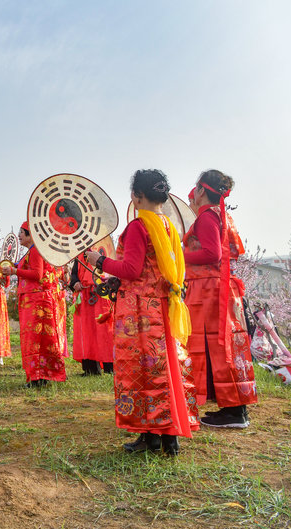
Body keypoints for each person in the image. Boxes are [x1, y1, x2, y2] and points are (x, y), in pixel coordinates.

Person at [85, 169, 198, 456]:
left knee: (141, 373)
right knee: (164, 371)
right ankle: (166, 437)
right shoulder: (169, 225)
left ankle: (150, 435)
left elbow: (133, 270)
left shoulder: (138, 227)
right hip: (162, 307)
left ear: (137, 196)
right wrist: (116, 277)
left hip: (139, 313)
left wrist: (102, 262)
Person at [184, 169, 257, 428]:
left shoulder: (206, 217)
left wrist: (178, 257)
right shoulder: (221, 216)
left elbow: (212, 254)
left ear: (202, 190)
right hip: (221, 289)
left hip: (210, 291)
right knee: (225, 347)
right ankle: (234, 408)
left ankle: (235, 412)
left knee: (218, 348)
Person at [1, 222, 66, 387]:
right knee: (36, 339)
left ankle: (38, 377)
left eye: (21, 233)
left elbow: (37, 274)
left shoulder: (36, 250)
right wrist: (14, 267)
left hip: (36, 301)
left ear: (30, 234)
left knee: (36, 339)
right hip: (31, 300)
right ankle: (40, 375)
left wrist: (15, 271)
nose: (19, 236)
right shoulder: (30, 252)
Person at [69, 249, 114, 375]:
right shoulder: (78, 255)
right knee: (86, 332)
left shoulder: (102, 246)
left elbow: (111, 269)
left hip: (101, 295)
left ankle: (110, 366)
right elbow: (74, 275)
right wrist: (75, 282)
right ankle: (91, 369)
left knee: (104, 331)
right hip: (84, 296)